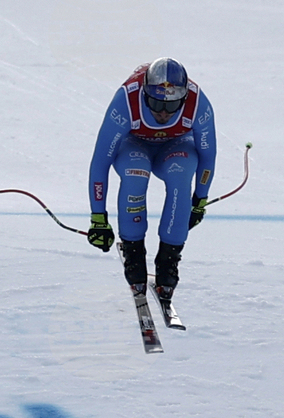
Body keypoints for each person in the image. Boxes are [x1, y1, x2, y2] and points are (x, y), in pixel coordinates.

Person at [86, 57, 217, 300]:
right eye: (156, 103)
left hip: (176, 146)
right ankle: (134, 257)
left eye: (172, 105)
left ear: (184, 98)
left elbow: (208, 157)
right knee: (136, 175)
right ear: (145, 93)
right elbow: (100, 162)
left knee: (181, 177)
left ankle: (169, 262)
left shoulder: (199, 103)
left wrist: (199, 200)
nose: (163, 114)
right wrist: (98, 219)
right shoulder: (126, 100)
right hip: (134, 146)